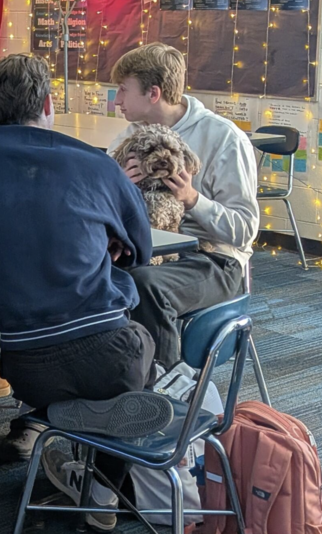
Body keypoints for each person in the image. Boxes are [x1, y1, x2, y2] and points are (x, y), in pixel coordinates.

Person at [0, 54, 162, 530]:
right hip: (109, 355)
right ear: (48, 103)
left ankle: (59, 419)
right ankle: (103, 489)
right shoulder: (96, 164)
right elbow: (142, 250)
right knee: (144, 347)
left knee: (85, 374)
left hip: (25, 368)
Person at [109, 43, 259, 368]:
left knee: (144, 285)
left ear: (153, 93)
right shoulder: (128, 138)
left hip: (213, 260)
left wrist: (193, 200)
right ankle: (101, 381)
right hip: (144, 248)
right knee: (77, 271)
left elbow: (245, 230)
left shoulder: (223, 138)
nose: (116, 100)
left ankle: (165, 391)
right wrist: (117, 185)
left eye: (122, 90)